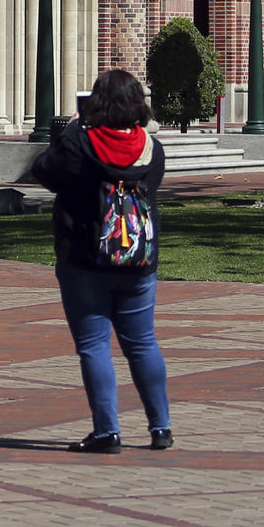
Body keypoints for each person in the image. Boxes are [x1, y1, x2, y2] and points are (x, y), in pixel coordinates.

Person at [31, 68, 172, 454]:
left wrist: (73, 130)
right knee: (142, 342)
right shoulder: (152, 148)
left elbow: (43, 171)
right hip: (138, 260)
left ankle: (107, 432)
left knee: (94, 346)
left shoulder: (79, 143)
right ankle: (160, 426)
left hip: (85, 259)